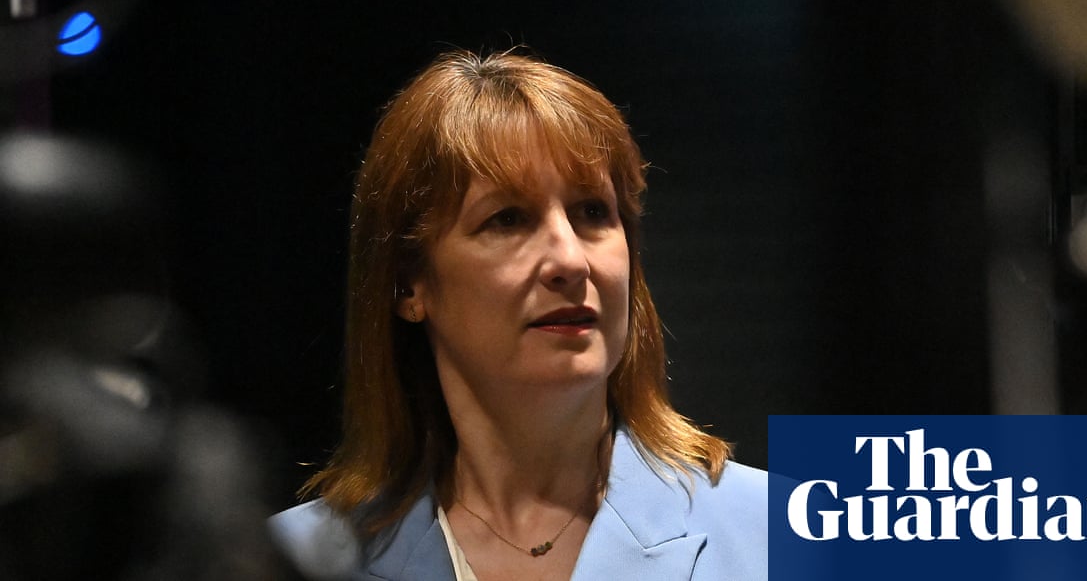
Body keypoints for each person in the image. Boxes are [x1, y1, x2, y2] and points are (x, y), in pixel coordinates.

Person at [269, 49, 767, 581]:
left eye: (593, 211)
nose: (570, 261)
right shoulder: (288, 561)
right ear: (409, 284)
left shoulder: (791, 534)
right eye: (508, 219)